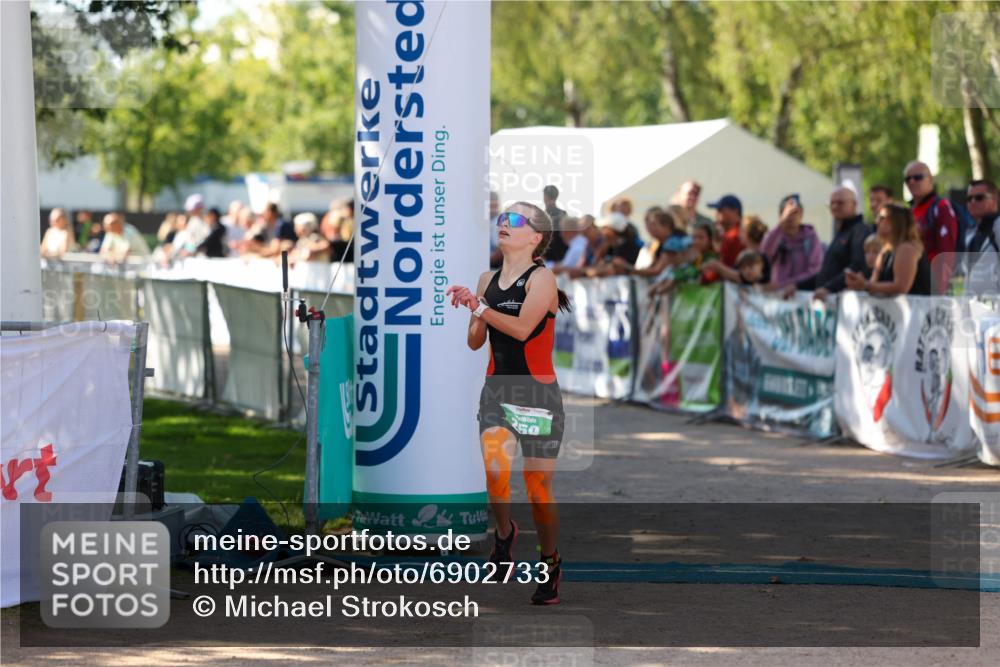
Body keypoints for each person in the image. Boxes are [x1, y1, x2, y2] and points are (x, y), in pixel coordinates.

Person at [445, 202, 571, 605]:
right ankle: (504, 535)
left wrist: (481, 307)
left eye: (514, 220)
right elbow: (474, 341)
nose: (504, 224)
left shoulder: (543, 279)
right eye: (502, 219)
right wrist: (475, 310)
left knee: (537, 490)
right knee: (496, 476)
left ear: (535, 237)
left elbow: (520, 330)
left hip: (537, 395)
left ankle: (549, 561)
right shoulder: (487, 278)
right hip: (497, 391)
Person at [788, 186, 870, 302]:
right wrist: (798, 286)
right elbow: (826, 272)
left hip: (846, 304)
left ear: (854, 205)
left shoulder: (860, 230)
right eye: (832, 203)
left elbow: (857, 266)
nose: (835, 207)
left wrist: (829, 288)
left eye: (840, 203)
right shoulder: (841, 232)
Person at [845, 202, 930, 296]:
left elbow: (901, 287)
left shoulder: (907, 248)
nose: (876, 222)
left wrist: (865, 285)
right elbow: (873, 284)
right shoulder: (885, 251)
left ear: (896, 222)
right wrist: (859, 283)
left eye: (882, 218)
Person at [904, 160, 957, 293]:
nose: (912, 182)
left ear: (930, 180)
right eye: (908, 179)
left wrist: (940, 288)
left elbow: (947, 252)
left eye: (918, 177)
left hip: (932, 284)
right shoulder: (908, 211)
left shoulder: (941, 207)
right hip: (911, 282)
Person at [761, 194, 823, 290]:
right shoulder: (775, 236)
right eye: (788, 213)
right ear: (780, 215)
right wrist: (781, 224)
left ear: (802, 215)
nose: (791, 217)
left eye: (795, 212)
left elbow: (815, 270)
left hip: (802, 292)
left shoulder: (811, 237)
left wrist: (790, 285)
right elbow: (764, 254)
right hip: (777, 293)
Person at [649, 220, 719, 294]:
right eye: (694, 238)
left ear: (710, 239)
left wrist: (674, 279)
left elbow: (695, 272)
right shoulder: (697, 258)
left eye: (701, 238)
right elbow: (687, 270)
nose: (697, 241)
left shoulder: (712, 257)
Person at [705, 215, 771, 285]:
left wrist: (718, 267)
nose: (739, 234)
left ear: (748, 232)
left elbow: (744, 278)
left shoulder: (758, 255)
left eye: (741, 231)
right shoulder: (748, 252)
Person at [964, 179, 1000, 295]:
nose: (973, 202)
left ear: (994, 199)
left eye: (979, 198)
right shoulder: (971, 234)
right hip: (973, 304)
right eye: (969, 198)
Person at [630, 207, 680, 278]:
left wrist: (628, 268)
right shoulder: (658, 243)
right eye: (648, 224)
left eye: (654, 224)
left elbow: (657, 270)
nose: (650, 228)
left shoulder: (674, 241)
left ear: (666, 226)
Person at [707, 194, 744, 267]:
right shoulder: (730, 234)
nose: (717, 213)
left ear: (735, 211)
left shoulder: (734, 236)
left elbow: (725, 265)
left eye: (720, 210)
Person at [542, 185, 568, 263]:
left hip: (549, 257)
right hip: (563, 255)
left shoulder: (542, 215)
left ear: (545, 197)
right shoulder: (563, 214)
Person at [488, 192, 503, 269]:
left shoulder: (498, 222)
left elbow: (500, 250)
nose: (492, 208)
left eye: (494, 205)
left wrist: (485, 261)